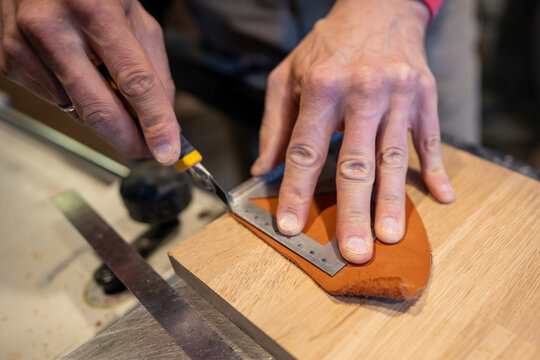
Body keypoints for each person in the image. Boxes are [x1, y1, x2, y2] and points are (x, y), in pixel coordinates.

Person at [0, 0, 458, 264]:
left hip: (407, 26)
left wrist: (391, 10)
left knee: (432, 191)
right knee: (274, 165)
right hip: (237, 19)